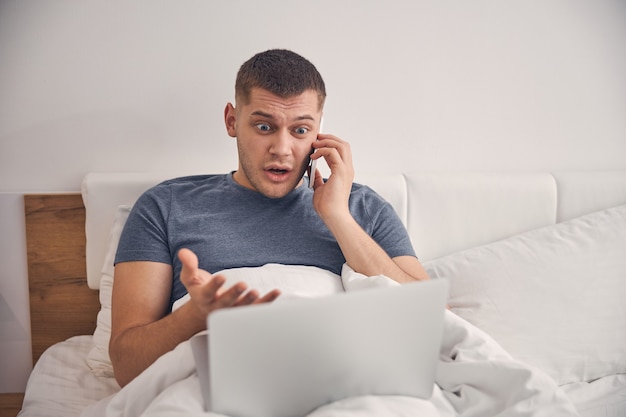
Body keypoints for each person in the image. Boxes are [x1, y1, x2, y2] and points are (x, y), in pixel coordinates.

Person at [109, 49, 430, 387]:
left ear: (320, 130)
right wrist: (195, 316)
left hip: (345, 383)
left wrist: (339, 218)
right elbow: (126, 368)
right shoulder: (166, 206)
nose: (282, 147)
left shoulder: (364, 208)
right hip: (217, 386)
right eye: (264, 126)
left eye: (301, 130)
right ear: (232, 121)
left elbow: (435, 324)